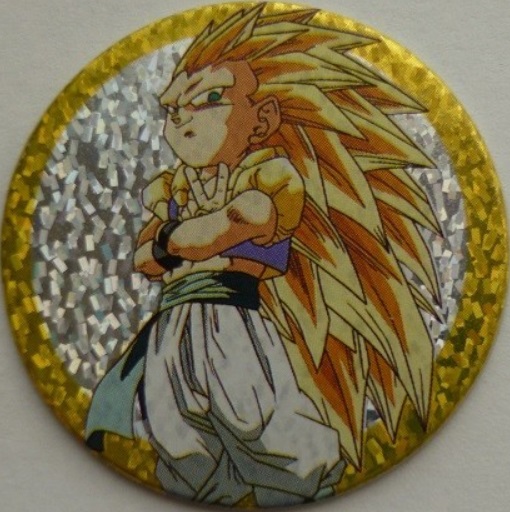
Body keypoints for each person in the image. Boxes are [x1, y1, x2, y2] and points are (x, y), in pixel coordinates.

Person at [87, 5, 439, 506]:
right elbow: (146, 257)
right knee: (175, 432)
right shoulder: (175, 189)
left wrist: (174, 240)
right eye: (173, 108)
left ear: (263, 120)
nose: (183, 117)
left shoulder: (270, 176)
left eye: (210, 99)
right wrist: (179, 238)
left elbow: (233, 224)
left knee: (260, 420)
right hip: (172, 323)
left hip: (234, 318)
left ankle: (304, 479)